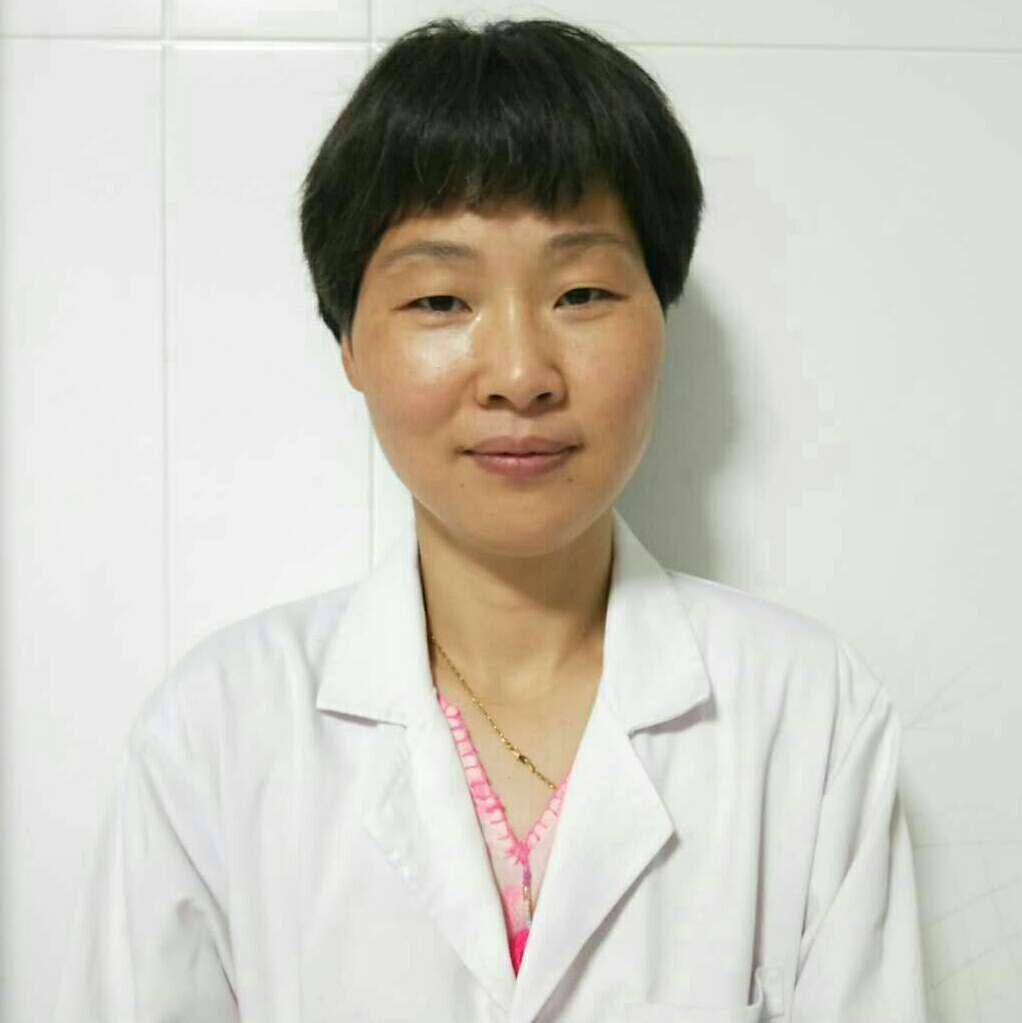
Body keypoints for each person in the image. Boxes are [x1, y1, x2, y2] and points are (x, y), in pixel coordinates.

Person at [53, 16, 930, 1023]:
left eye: (582, 292)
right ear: (349, 344)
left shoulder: (803, 714)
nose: (519, 374)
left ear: (661, 318)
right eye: (440, 301)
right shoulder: (218, 731)